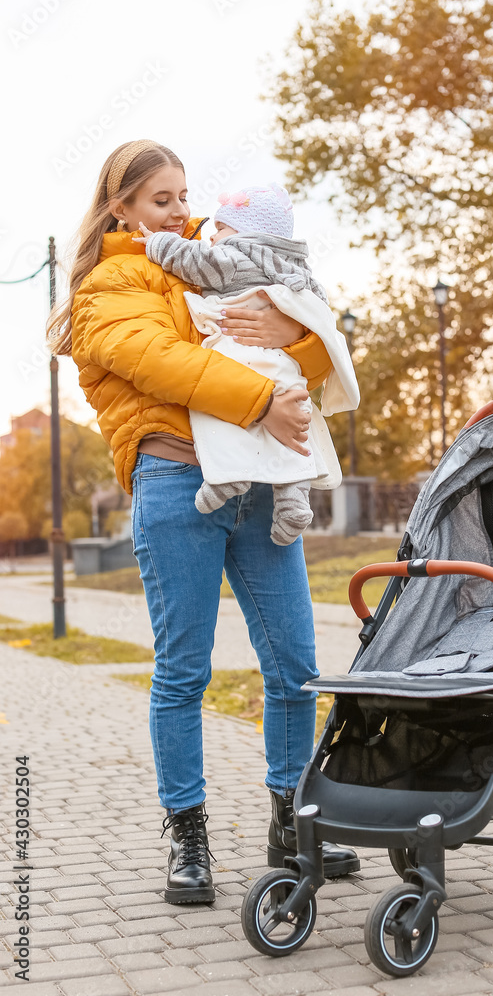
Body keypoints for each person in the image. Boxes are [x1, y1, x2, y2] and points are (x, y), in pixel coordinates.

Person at [47, 139, 359, 904]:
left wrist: (299, 336)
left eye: (184, 195)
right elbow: (154, 358)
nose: (180, 211)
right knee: (183, 669)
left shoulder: (223, 257)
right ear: (119, 207)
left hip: (259, 479)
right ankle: (188, 838)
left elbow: (318, 339)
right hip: (176, 478)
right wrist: (259, 399)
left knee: (294, 664)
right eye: (161, 200)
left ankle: (293, 821)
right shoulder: (108, 285)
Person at [134, 182, 358, 546]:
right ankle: (294, 500)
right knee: (294, 425)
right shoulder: (298, 269)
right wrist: (296, 328)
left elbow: (198, 262)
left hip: (241, 356)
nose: (211, 237)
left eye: (220, 229)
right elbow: (323, 321)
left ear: (245, 233)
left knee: (224, 409)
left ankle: (228, 476)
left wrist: (157, 244)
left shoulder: (236, 258)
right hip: (285, 366)